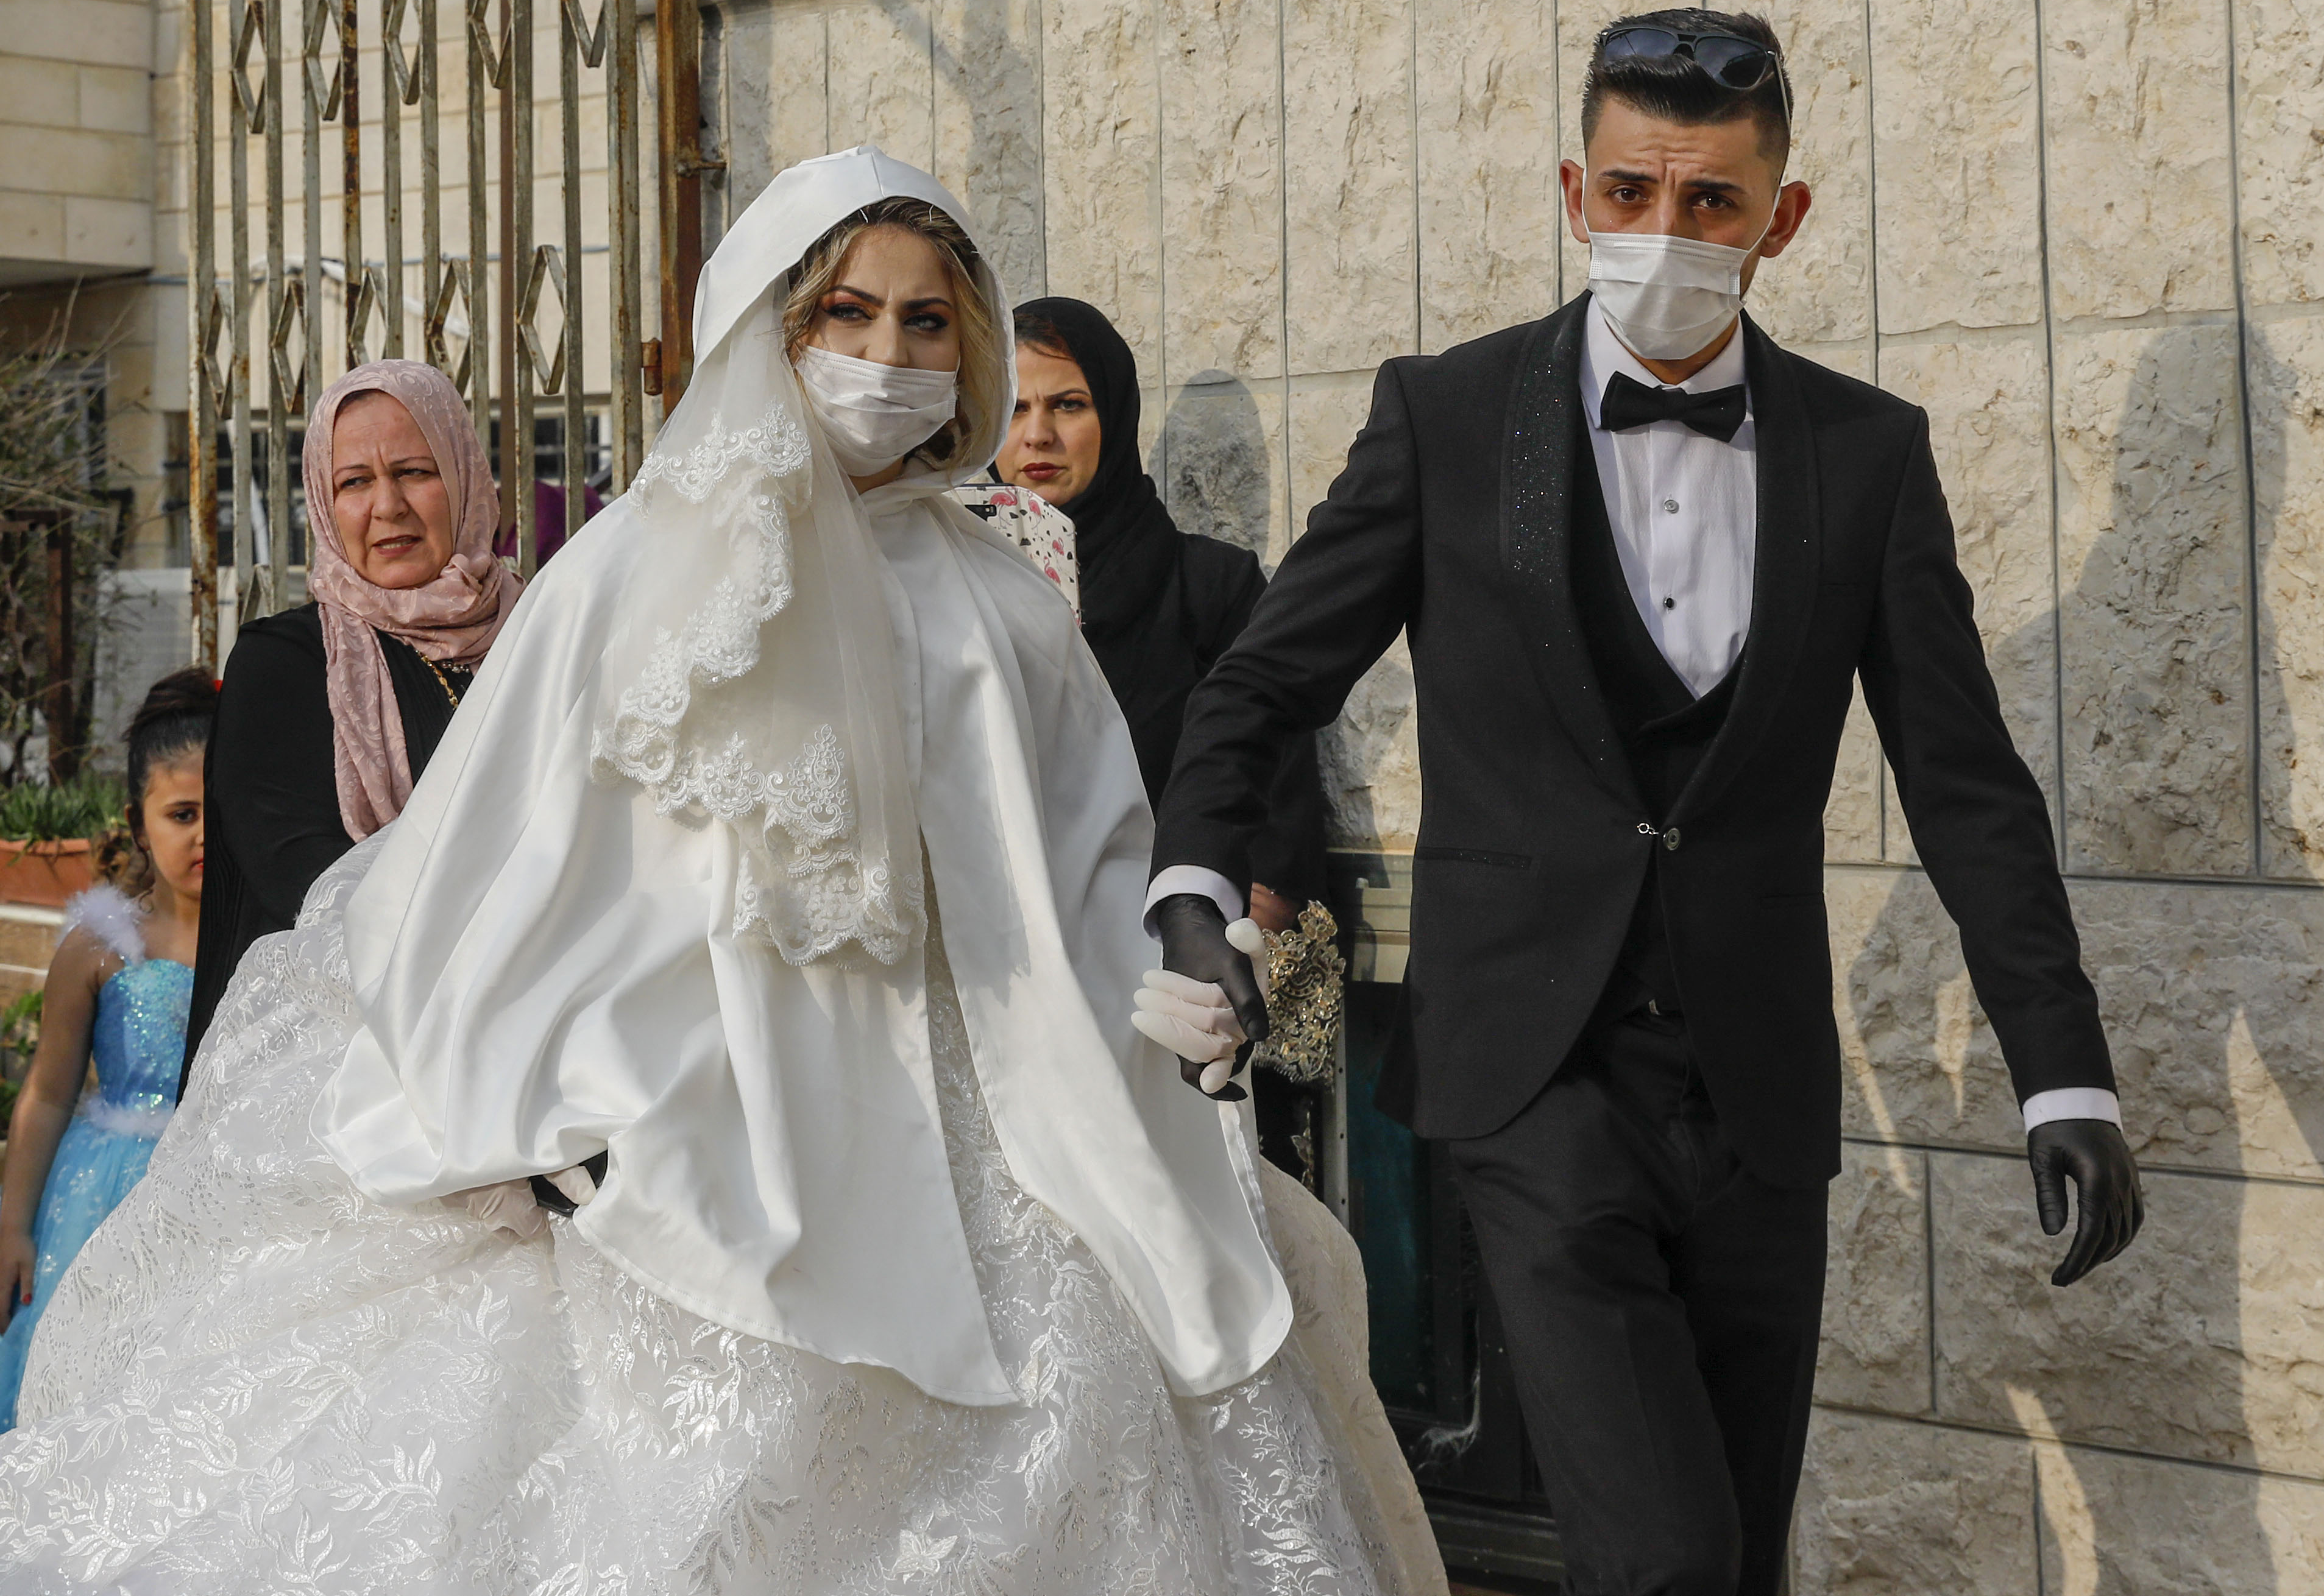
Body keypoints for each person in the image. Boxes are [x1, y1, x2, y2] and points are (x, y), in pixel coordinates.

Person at [0, 146, 1441, 1594]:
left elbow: (1071, 862)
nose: (887, 355)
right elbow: (492, 862)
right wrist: (544, 1091)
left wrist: (1163, 972)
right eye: (848, 316)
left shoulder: (1004, 598)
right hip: (687, 1116)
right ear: (774, 325)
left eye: (925, 322)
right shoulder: (629, 570)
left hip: (995, 1120)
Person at [1137, 11, 2145, 1596]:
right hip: (1535, 1079)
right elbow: (1263, 680)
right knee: (1661, 1559)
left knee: (1733, 1561)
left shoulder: (1867, 457)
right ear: (1574, 190)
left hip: (1756, 1098)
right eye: (1629, 193)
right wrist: (1191, 876)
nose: (1664, 234)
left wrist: (2064, 1075)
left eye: (1711, 205)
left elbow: (1968, 790)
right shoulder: (1448, 420)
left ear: (1779, 219)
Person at [183, 359, 520, 1072]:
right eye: (355, 482)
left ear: (465, 475)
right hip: (336, 1060)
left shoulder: (542, 634)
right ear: (324, 505)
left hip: (539, 1022)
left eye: (415, 471)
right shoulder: (288, 666)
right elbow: (311, 882)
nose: (388, 505)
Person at [997, 297, 1328, 934]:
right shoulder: (958, 587)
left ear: (1117, 416)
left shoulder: (1209, 591)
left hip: (1164, 968)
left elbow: (1271, 814)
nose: (1037, 433)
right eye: (1013, 407)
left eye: (1069, 404)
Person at [0, 668, 214, 1427]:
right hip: (101, 1202)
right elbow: (48, 1093)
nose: (203, 832)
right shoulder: (101, 948)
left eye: (218, 809)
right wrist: (13, 1226)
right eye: (182, 813)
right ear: (136, 819)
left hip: (218, 1188)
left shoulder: (269, 942)